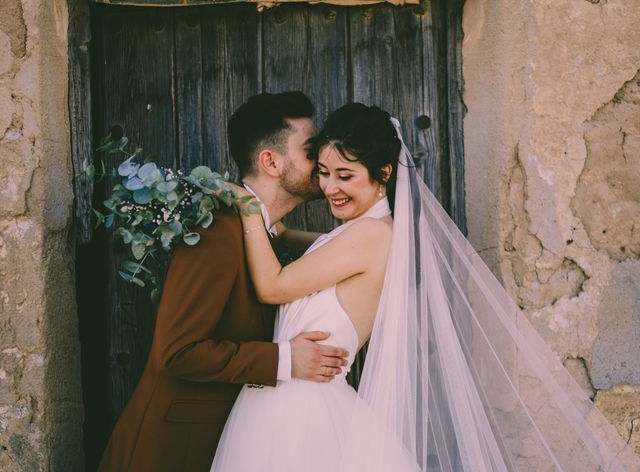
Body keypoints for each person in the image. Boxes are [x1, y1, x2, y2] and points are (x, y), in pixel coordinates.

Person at [212, 103, 640, 471]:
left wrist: (249, 207)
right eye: (323, 173)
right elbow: (307, 245)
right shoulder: (364, 233)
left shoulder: (372, 236)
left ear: (382, 172)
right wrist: (274, 225)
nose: (329, 188)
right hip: (293, 401)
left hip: (301, 411)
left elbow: (273, 286)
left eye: (345, 175)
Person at [97, 92, 349, 472]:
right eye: (312, 151)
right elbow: (177, 352)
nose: (324, 161)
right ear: (271, 161)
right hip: (173, 450)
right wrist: (286, 359)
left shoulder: (261, 231)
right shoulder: (215, 231)